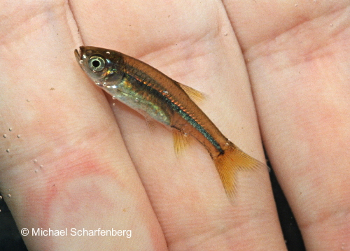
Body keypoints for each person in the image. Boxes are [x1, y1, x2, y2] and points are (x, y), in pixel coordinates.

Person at [0, 1, 349, 250]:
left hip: (176, 113)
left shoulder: (120, 80)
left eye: (93, 63)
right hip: (169, 109)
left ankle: (221, 150)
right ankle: (221, 150)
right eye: (93, 62)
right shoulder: (118, 79)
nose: (87, 64)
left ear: (111, 74)